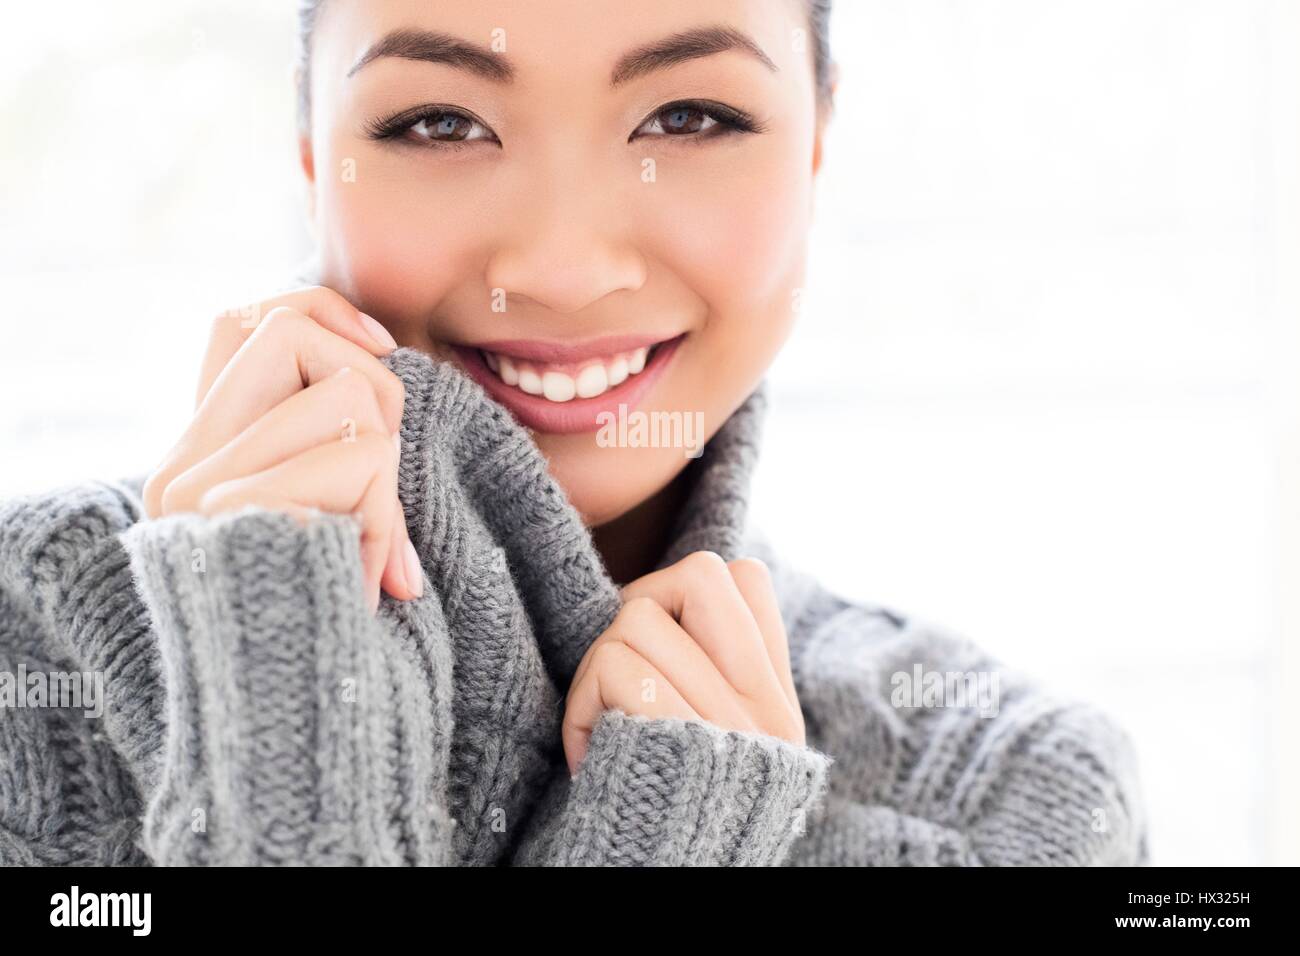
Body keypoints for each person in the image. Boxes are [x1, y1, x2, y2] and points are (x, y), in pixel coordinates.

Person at [0, 0, 1146, 866]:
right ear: (313, 158)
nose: (559, 267)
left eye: (689, 115)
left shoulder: (1018, 794)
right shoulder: (34, 639)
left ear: (815, 148)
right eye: (439, 120)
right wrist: (283, 704)